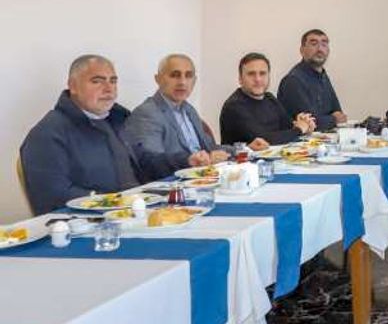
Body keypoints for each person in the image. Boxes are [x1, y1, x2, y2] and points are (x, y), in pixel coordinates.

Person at [20, 55, 141, 215]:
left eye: (113, 81)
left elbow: (144, 161)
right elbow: (53, 194)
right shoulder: (47, 134)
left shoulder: (119, 119)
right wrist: (114, 202)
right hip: (89, 221)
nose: (109, 89)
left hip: (137, 209)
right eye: (97, 81)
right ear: (73, 86)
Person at [124, 54, 233, 181]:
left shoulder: (189, 109)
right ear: (158, 79)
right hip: (172, 184)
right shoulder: (147, 113)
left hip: (202, 179)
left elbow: (210, 148)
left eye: (188, 76)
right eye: (175, 75)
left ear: (194, 81)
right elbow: (151, 163)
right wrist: (189, 160)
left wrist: (242, 149)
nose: (182, 82)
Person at [220, 52, 315, 147]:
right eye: (251, 74)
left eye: (262, 73)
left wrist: (304, 124)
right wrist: (299, 129)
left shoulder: (269, 98)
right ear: (240, 79)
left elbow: (288, 128)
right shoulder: (234, 106)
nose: (258, 79)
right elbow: (262, 139)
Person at [278, 29, 346, 130]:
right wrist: (333, 119)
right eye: (314, 44)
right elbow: (310, 123)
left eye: (324, 44)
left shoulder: (323, 75)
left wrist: (334, 118)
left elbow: (338, 113)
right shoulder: (293, 80)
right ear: (302, 50)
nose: (320, 49)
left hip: (325, 136)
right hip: (301, 139)